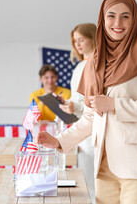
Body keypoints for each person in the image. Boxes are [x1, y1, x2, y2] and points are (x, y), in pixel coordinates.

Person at [35, 0, 137, 204]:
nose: (118, 22)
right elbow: (91, 117)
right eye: (111, 15)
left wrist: (115, 104)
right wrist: (59, 141)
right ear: (102, 19)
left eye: (126, 16)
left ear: (134, 19)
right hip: (104, 168)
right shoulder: (95, 61)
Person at [57, 23, 97, 204]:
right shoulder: (80, 65)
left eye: (82, 40)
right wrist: (69, 105)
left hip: (94, 126)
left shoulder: (97, 65)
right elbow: (78, 99)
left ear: (93, 38)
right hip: (81, 125)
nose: (78, 45)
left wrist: (77, 106)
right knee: (86, 173)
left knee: (94, 176)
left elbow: (93, 100)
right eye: (75, 41)